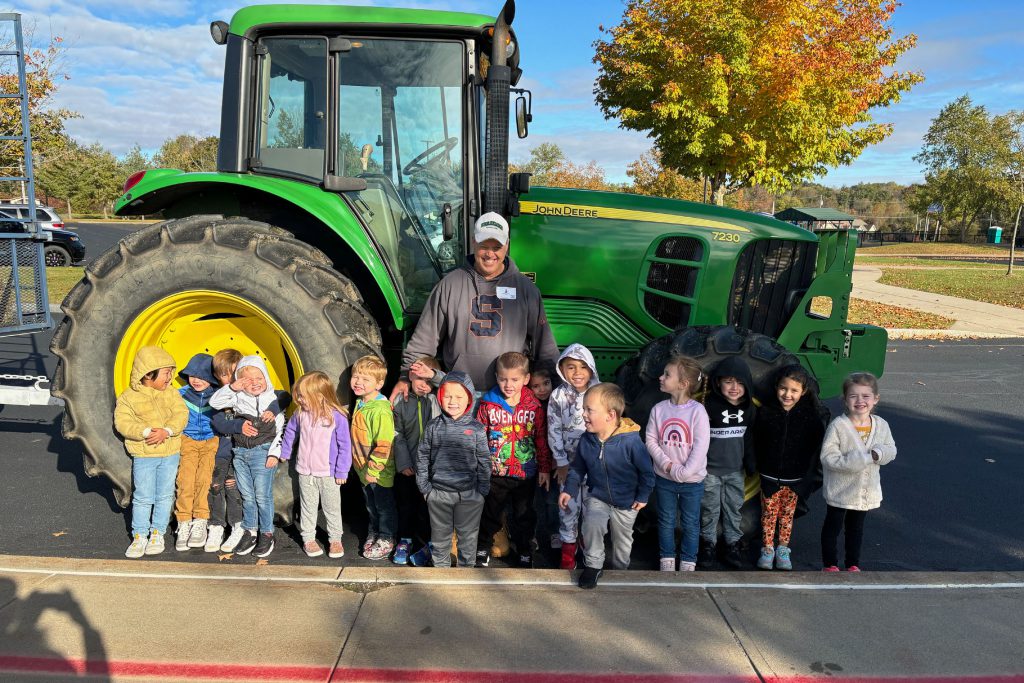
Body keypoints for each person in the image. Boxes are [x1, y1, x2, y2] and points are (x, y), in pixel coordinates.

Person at [393, 211, 559, 398]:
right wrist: (407, 376)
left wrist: (557, 386)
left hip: (509, 400)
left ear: (507, 246)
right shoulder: (450, 285)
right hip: (459, 396)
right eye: (483, 246)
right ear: (474, 242)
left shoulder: (526, 290)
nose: (490, 253)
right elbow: (425, 338)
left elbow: (544, 346)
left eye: (496, 246)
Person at [560, 383, 654, 589]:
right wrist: (569, 490)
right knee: (591, 525)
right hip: (598, 496)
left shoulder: (631, 442)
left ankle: (620, 569)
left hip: (627, 501)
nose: (583, 414)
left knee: (622, 539)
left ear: (610, 415)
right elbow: (577, 468)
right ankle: (593, 566)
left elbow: (647, 472)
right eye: (583, 408)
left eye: (589, 410)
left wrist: (643, 495)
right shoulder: (587, 440)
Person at [475, 351, 553, 568]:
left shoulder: (534, 407)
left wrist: (544, 469)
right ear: (497, 377)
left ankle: (525, 551)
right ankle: (482, 547)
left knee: (524, 515)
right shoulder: (488, 404)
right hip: (495, 471)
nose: (508, 384)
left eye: (514, 379)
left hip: (525, 473)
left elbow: (541, 439)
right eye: (503, 379)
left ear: (526, 379)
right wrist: (480, 466)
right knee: (491, 513)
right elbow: (479, 436)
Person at [114, 346, 189, 559]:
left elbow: (181, 414)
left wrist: (167, 431)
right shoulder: (129, 397)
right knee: (143, 496)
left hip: (169, 453)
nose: (170, 378)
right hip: (145, 455)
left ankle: (157, 533)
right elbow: (123, 422)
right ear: (148, 374)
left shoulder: (171, 393)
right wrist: (146, 432)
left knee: (165, 495)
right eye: (166, 373)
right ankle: (139, 535)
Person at [820, 372, 896, 572]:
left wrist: (879, 453)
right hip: (841, 489)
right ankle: (830, 564)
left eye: (865, 396)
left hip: (864, 491)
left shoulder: (881, 426)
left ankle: (853, 564)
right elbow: (828, 457)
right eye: (854, 396)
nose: (860, 401)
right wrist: (861, 458)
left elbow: (891, 449)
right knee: (833, 526)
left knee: (856, 529)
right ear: (845, 399)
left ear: (875, 399)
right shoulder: (838, 426)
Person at [753, 364, 827, 571]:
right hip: (768, 477)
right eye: (783, 389)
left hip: (794, 480)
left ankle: (783, 550)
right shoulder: (766, 413)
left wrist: (807, 475)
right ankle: (767, 550)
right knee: (768, 514)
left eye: (794, 390)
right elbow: (756, 440)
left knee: (786, 516)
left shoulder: (809, 418)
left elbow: (815, 449)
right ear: (777, 387)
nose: (787, 394)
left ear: (803, 392)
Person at [209, 356, 284, 558]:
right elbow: (214, 402)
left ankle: (267, 533)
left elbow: (281, 430)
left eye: (259, 377)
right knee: (247, 495)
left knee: (262, 495)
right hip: (240, 453)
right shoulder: (237, 397)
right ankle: (250, 531)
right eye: (247, 379)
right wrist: (233, 388)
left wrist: (275, 454)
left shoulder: (272, 401)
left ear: (266, 377)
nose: (254, 382)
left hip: (262, 452)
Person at [415, 371, 491, 568]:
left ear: (469, 398)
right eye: (447, 396)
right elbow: (422, 457)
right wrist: (425, 488)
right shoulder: (433, 427)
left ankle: (466, 575)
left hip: (470, 494)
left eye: (459, 396)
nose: (452, 401)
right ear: (440, 397)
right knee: (440, 540)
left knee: (468, 539)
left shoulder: (477, 429)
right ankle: (441, 574)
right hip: (439, 493)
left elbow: (484, 461)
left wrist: (482, 491)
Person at [278, 371, 352, 559]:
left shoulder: (337, 417)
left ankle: (335, 539)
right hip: (305, 471)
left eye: (303, 396)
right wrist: (285, 451)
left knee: (332, 508)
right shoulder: (300, 414)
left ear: (320, 395)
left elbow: (345, 446)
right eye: (298, 396)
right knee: (307, 507)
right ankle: (308, 538)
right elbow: (291, 433)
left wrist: (342, 470)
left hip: (328, 473)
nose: (299, 400)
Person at [646, 355, 710, 572]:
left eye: (667, 374)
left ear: (683, 384)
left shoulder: (697, 412)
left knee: (691, 523)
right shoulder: (659, 409)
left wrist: (684, 472)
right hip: (665, 478)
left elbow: (701, 447)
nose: (661, 377)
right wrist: (668, 466)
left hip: (692, 481)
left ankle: (688, 561)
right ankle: (667, 558)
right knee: (665, 520)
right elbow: (651, 440)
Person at [698, 357, 757, 570]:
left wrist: (751, 463)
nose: (734, 388)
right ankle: (708, 544)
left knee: (734, 507)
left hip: (735, 471)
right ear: (718, 383)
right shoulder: (707, 408)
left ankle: (732, 543)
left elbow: (748, 439)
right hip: (710, 471)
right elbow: (700, 440)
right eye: (729, 382)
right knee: (710, 509)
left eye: (740, 383)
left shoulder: (750, 410)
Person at [547, 343, 600, 570]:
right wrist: (560, 462)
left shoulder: (600, 393)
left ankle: (590, 554)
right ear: (562, 369)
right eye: (570, 367)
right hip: (568, 465)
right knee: (567, 507)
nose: (577, 373)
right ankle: (568, 553)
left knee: (592, 511)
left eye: (582, 367)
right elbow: (553, 428)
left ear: (591, 369)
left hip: (594, 465)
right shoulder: (558, 395)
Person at [391, 356, 442, 565]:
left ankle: (428, 543)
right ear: (410, 376)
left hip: (430, 468)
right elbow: (397, 433)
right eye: (420, 379)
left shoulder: (438, 399)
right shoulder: (401, 401)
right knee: (406, 505)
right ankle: (404, 539)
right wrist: (403, 463)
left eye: (429, 381)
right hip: (408, 467)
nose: (424, 385)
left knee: (428, 508)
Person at [349, 354, 397, 561]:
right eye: (355, 377)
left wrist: (374, 469)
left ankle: (386, 537)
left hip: (377, 472)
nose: (358, 382)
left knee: (384, 507)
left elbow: (384, 444)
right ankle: (374, 531)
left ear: (379, 383)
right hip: (363, 469)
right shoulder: (361, 403)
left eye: (365, 379)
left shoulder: (379, 411)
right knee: (371, 505)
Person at [173, 353, 220, 552]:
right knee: (185, 480)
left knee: (204, 480)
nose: (196, 380)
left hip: (211, 441)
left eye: (202, 376)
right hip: (188, 440)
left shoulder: (218, 396)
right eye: (192, 375)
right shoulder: (181, 394)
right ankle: (183, 521)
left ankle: (200, 520)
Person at [206, 348, 245, 553]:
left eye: (233, 373)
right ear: (216, 377)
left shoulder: (247, 396)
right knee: (215, 487)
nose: (229, 379)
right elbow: (219, 421)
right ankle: (216, 526)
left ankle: (238, 525)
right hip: (221, 452)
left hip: (240, 453)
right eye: (224, 375)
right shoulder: (218, 397)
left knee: (233, 488)